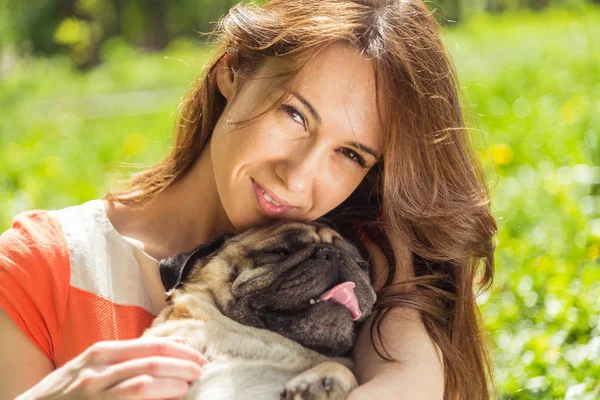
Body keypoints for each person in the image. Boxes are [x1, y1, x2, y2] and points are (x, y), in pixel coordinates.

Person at [0, 0, 498, 398]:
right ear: (233, 70)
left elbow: (410, 386)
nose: (298, 176)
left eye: (349, 153)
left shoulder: (360, 261)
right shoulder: (44, 268)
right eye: (295, 115)